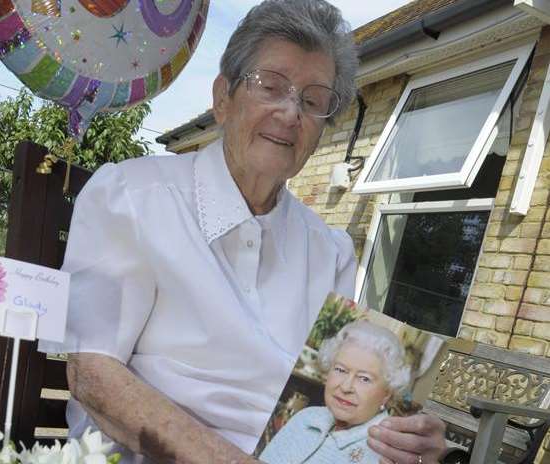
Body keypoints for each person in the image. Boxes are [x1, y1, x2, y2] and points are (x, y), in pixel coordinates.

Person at [39, 1, 447, 463]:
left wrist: (400, 440)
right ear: (222, 99)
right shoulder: (133, 196)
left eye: (313, 101)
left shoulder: (329, 251)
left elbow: (333, 404)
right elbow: (93, 374)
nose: (291, 113)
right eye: (271, 86)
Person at [260, 321, 411, 464]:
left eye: (364, 379)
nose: (346, 387)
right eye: (340, 370)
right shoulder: (306, 417)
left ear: (387, 394)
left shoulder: (388, 453)